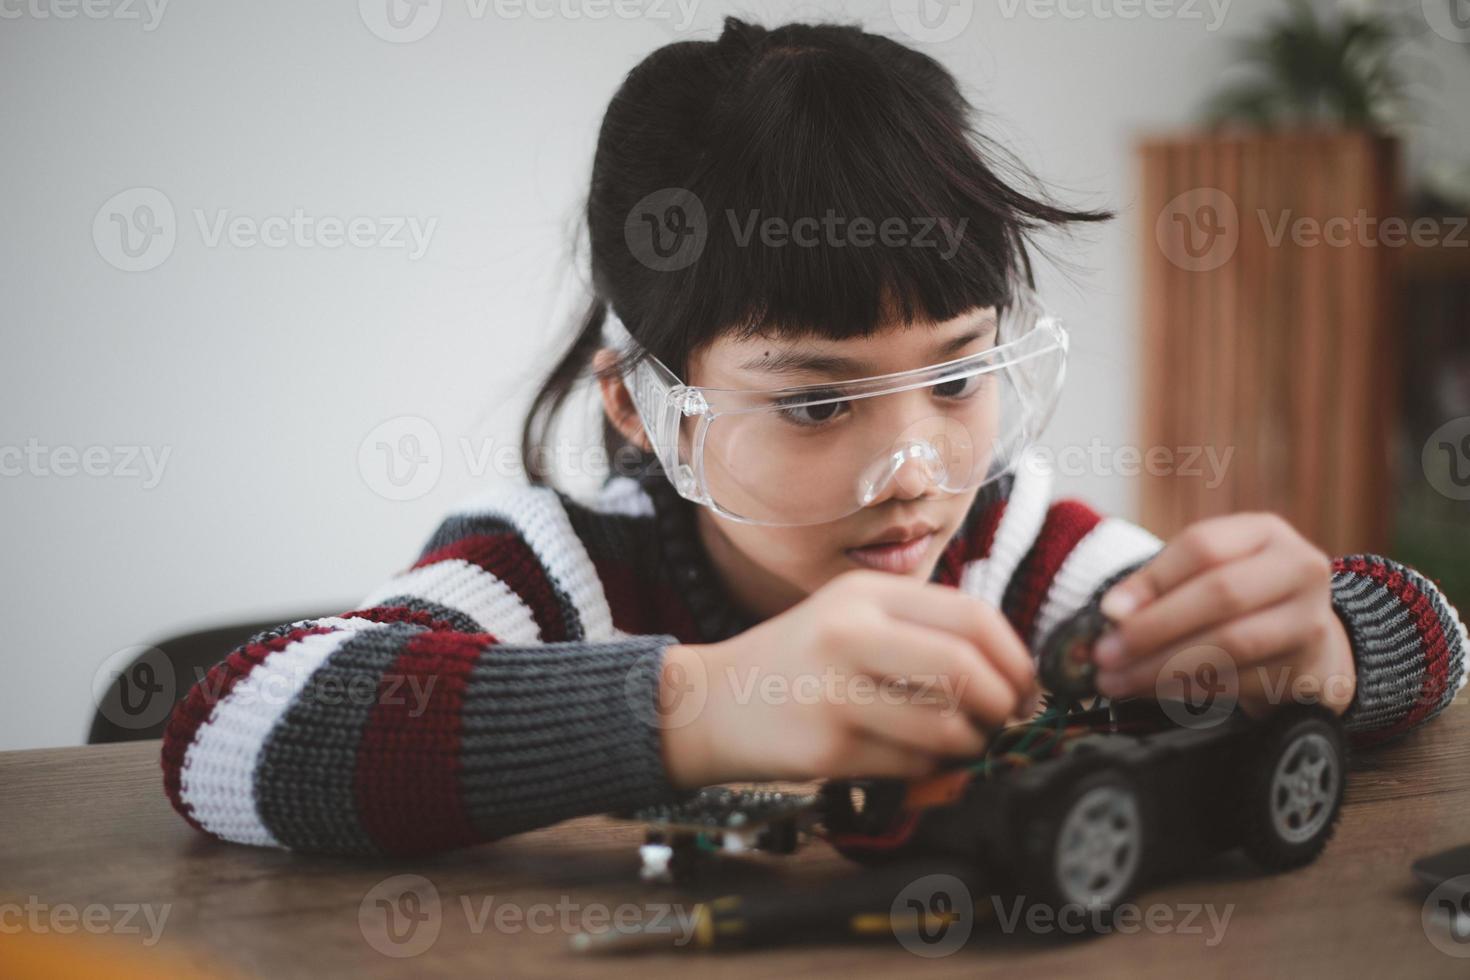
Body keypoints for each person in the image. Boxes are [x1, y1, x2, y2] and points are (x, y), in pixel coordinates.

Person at [161, 17, 1465, 857]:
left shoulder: (1013, 546)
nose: (914, 473)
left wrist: (1332, 648)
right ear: (641, 407)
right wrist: (706, 704)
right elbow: (224, 738)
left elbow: (1434, 642)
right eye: (817, 403)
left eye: (957, 379)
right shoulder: (551, 567)